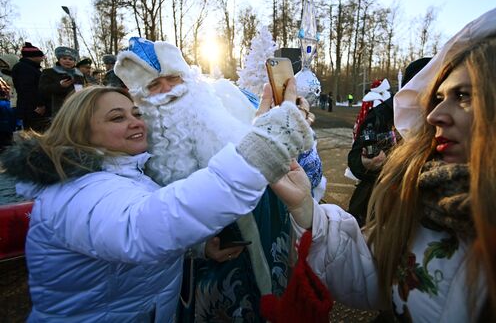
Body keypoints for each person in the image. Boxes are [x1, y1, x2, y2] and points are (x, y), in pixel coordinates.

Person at [277, 0, 496, 322]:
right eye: (436, 98)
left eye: (463, 95)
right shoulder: (423, 202)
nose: (434, 116)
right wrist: (306, 208)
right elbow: (368, 270)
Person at [0, 79, 314, 321]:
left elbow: (129, 233)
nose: (136, 121)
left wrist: (198, 247)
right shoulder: (78, 191)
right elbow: (143, 228)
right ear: (80, 132)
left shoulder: (125, 175)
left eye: (136, 112)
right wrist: (267, 144)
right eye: (117, 117)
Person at [114, 37, 324, 321]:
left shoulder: (233, 101)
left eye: (173, 79)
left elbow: (300, 170)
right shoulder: (136, 146)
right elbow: (146, 224)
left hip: (266, 236)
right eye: (154, 86)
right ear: (140, 97)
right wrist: (198, 247)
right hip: (200, 274)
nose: (168, 91)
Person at [347, 59, 430, 227]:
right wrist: (366, 164)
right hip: (375, 212)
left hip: (424, 219)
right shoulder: (381, 114)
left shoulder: (444, 118)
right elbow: (355, 159)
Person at [39, 46, 87, 118]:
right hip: (55, 110)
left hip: (75, 108)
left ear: (74, 62)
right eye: (64, 58)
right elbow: (42, 89)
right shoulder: (49, 72)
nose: (67, 61)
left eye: (71, 59)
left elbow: (79, 91)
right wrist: (60, 86)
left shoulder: (78, 75)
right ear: (59, 59)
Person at [11, 42, 49, 132]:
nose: (42, 59)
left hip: (33, 108)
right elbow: (28, 89)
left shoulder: (30, 68)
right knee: (35, 134)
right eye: (41, 56)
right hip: (33, 110)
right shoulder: (24, 68)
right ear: (33, 56)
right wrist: (39, 105)